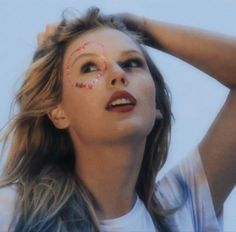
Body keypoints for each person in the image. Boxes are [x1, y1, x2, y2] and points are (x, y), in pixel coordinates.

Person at [0, 7, 236, 232]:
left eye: (132, 63)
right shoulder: (13, 212)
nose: (118, 74)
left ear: (156, 106)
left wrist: (141, 27)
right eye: (89, 67)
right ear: (58, 112)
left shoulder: (179, 215)